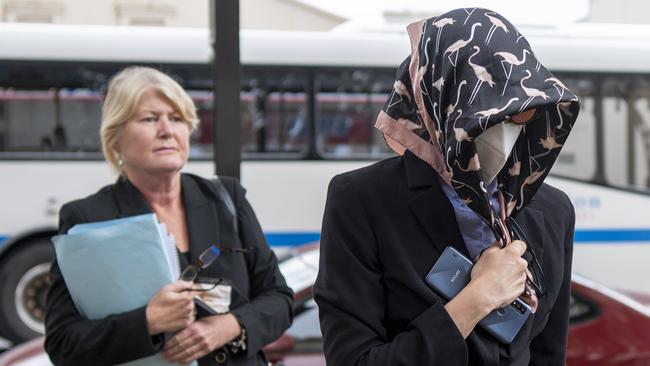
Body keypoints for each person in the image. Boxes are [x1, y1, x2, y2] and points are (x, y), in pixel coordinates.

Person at [314, 8, 580, 365]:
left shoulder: (551, 209)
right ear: (445, 105)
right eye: (490, 117)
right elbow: (353, 359)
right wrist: (475, 301)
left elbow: (548, 354)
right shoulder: (362, 200)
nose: (505, 135)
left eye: (519, 118)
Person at [45, 66, 293, 366]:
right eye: (150, 119)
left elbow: (279, 299)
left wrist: (230, 326)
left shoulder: (226, 198)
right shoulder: (88, 218)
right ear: (115, 139)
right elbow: (63, 345)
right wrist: (148, 321)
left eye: (176, 119)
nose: (167, 130)